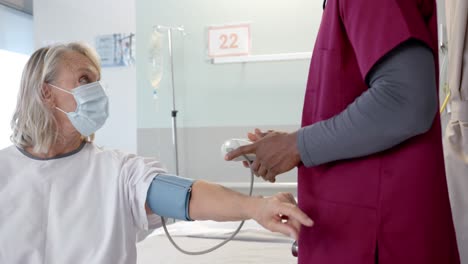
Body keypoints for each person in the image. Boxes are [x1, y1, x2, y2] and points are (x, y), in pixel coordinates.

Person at [0, 42, 313, 264]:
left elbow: (185, 196)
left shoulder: (119, 171)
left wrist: (254, 207)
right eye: (83, 80)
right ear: (46, 93)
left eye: (97, 82)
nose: (96, 91)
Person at [226, 0, 460, 263]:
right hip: (358, 230)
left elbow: (405, 100)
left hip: (378, 237)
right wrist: (291, 143)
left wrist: (297, 145)